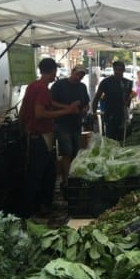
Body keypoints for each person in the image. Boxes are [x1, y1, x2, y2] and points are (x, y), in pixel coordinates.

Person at [19, 58, 80, 218]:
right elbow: (40, 113)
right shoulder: (43, 89)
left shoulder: (33, 86)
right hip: (41, 138)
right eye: (55, 72)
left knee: (39, 173)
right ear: (52, 71)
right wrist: (67, 112)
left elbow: (30, 107)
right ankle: (36, 210)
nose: (56, 75)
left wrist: (66, 107)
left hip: (32, 136)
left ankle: (35, 208)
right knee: (43, 175)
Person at [50, 64, 90, 193]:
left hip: (76, 124)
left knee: (75, 152)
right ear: (72, 71)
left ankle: (73, 178)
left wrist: (84, 109)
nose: (79, 77)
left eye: (82, 75)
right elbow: (50, 102)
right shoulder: (59, 85)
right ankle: (66, 181)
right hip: (61, 123)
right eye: (78, 74)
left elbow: (86, 103)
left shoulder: (82, 87)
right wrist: (67, 108)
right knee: (66, 151)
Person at [91, 60, 133, 141]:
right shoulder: (106, 82)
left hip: (123, 115)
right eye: (116, 69)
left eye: (120, 70)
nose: (118, 72)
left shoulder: (128, 83)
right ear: (113, 69)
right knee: (110, 139)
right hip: (110, 114)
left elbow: (128, 99)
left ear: (124, 70)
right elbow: (97, 97)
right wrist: (94, 113)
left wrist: (128, 105)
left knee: (123, 139)